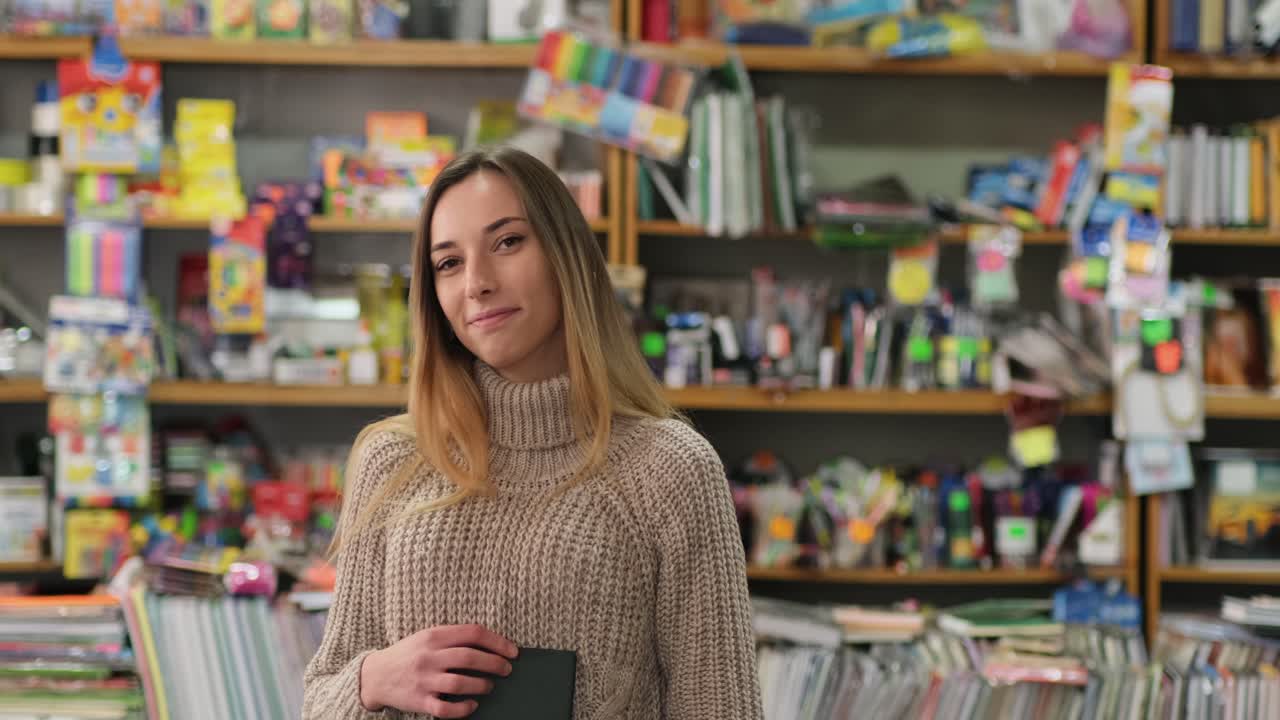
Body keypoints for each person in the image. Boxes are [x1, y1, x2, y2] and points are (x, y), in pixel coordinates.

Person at [302, 146, 763, 719]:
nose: (476, 283)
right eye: (448, 263)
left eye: (507, 242)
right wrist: (370, 679)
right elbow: (319, 694)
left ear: (565, 256)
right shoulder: (392, 459)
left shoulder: (671, 470)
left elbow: (721, 710)